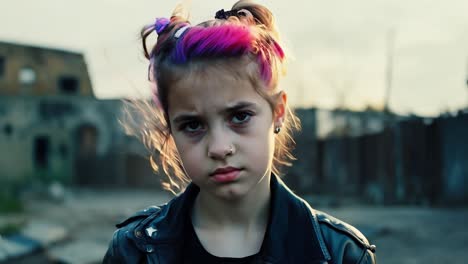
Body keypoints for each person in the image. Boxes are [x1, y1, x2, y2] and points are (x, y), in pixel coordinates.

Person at [103, 1, 377, 263]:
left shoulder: (342, 254)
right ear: (171, 129)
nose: (220, 148)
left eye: (239, 116)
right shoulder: (133, 251)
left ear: (278, 112)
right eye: (193, 125)